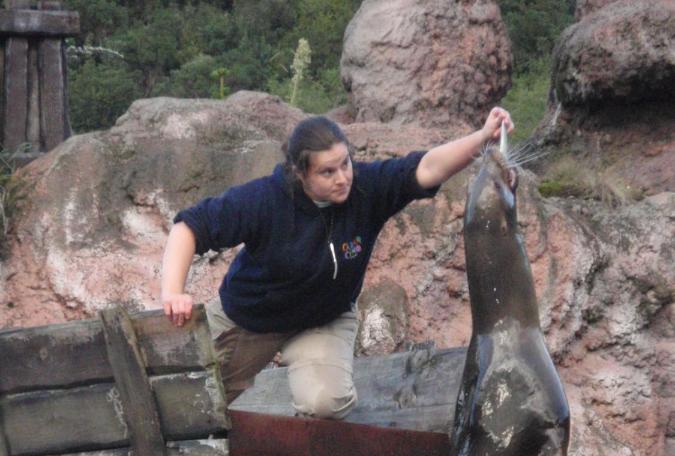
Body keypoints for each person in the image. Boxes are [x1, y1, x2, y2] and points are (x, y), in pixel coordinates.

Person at [161, 107, 513, 418]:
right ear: (301, 174)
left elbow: (427, 167)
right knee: (184, 399)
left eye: (345, 164)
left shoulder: (366, 188)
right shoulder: (262, 200)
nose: (342, 177)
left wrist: (483, 138)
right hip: (250, 318)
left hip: (322, 319)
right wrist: (173, 291)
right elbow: (188, 227)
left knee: (325, 404)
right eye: (327, 172)